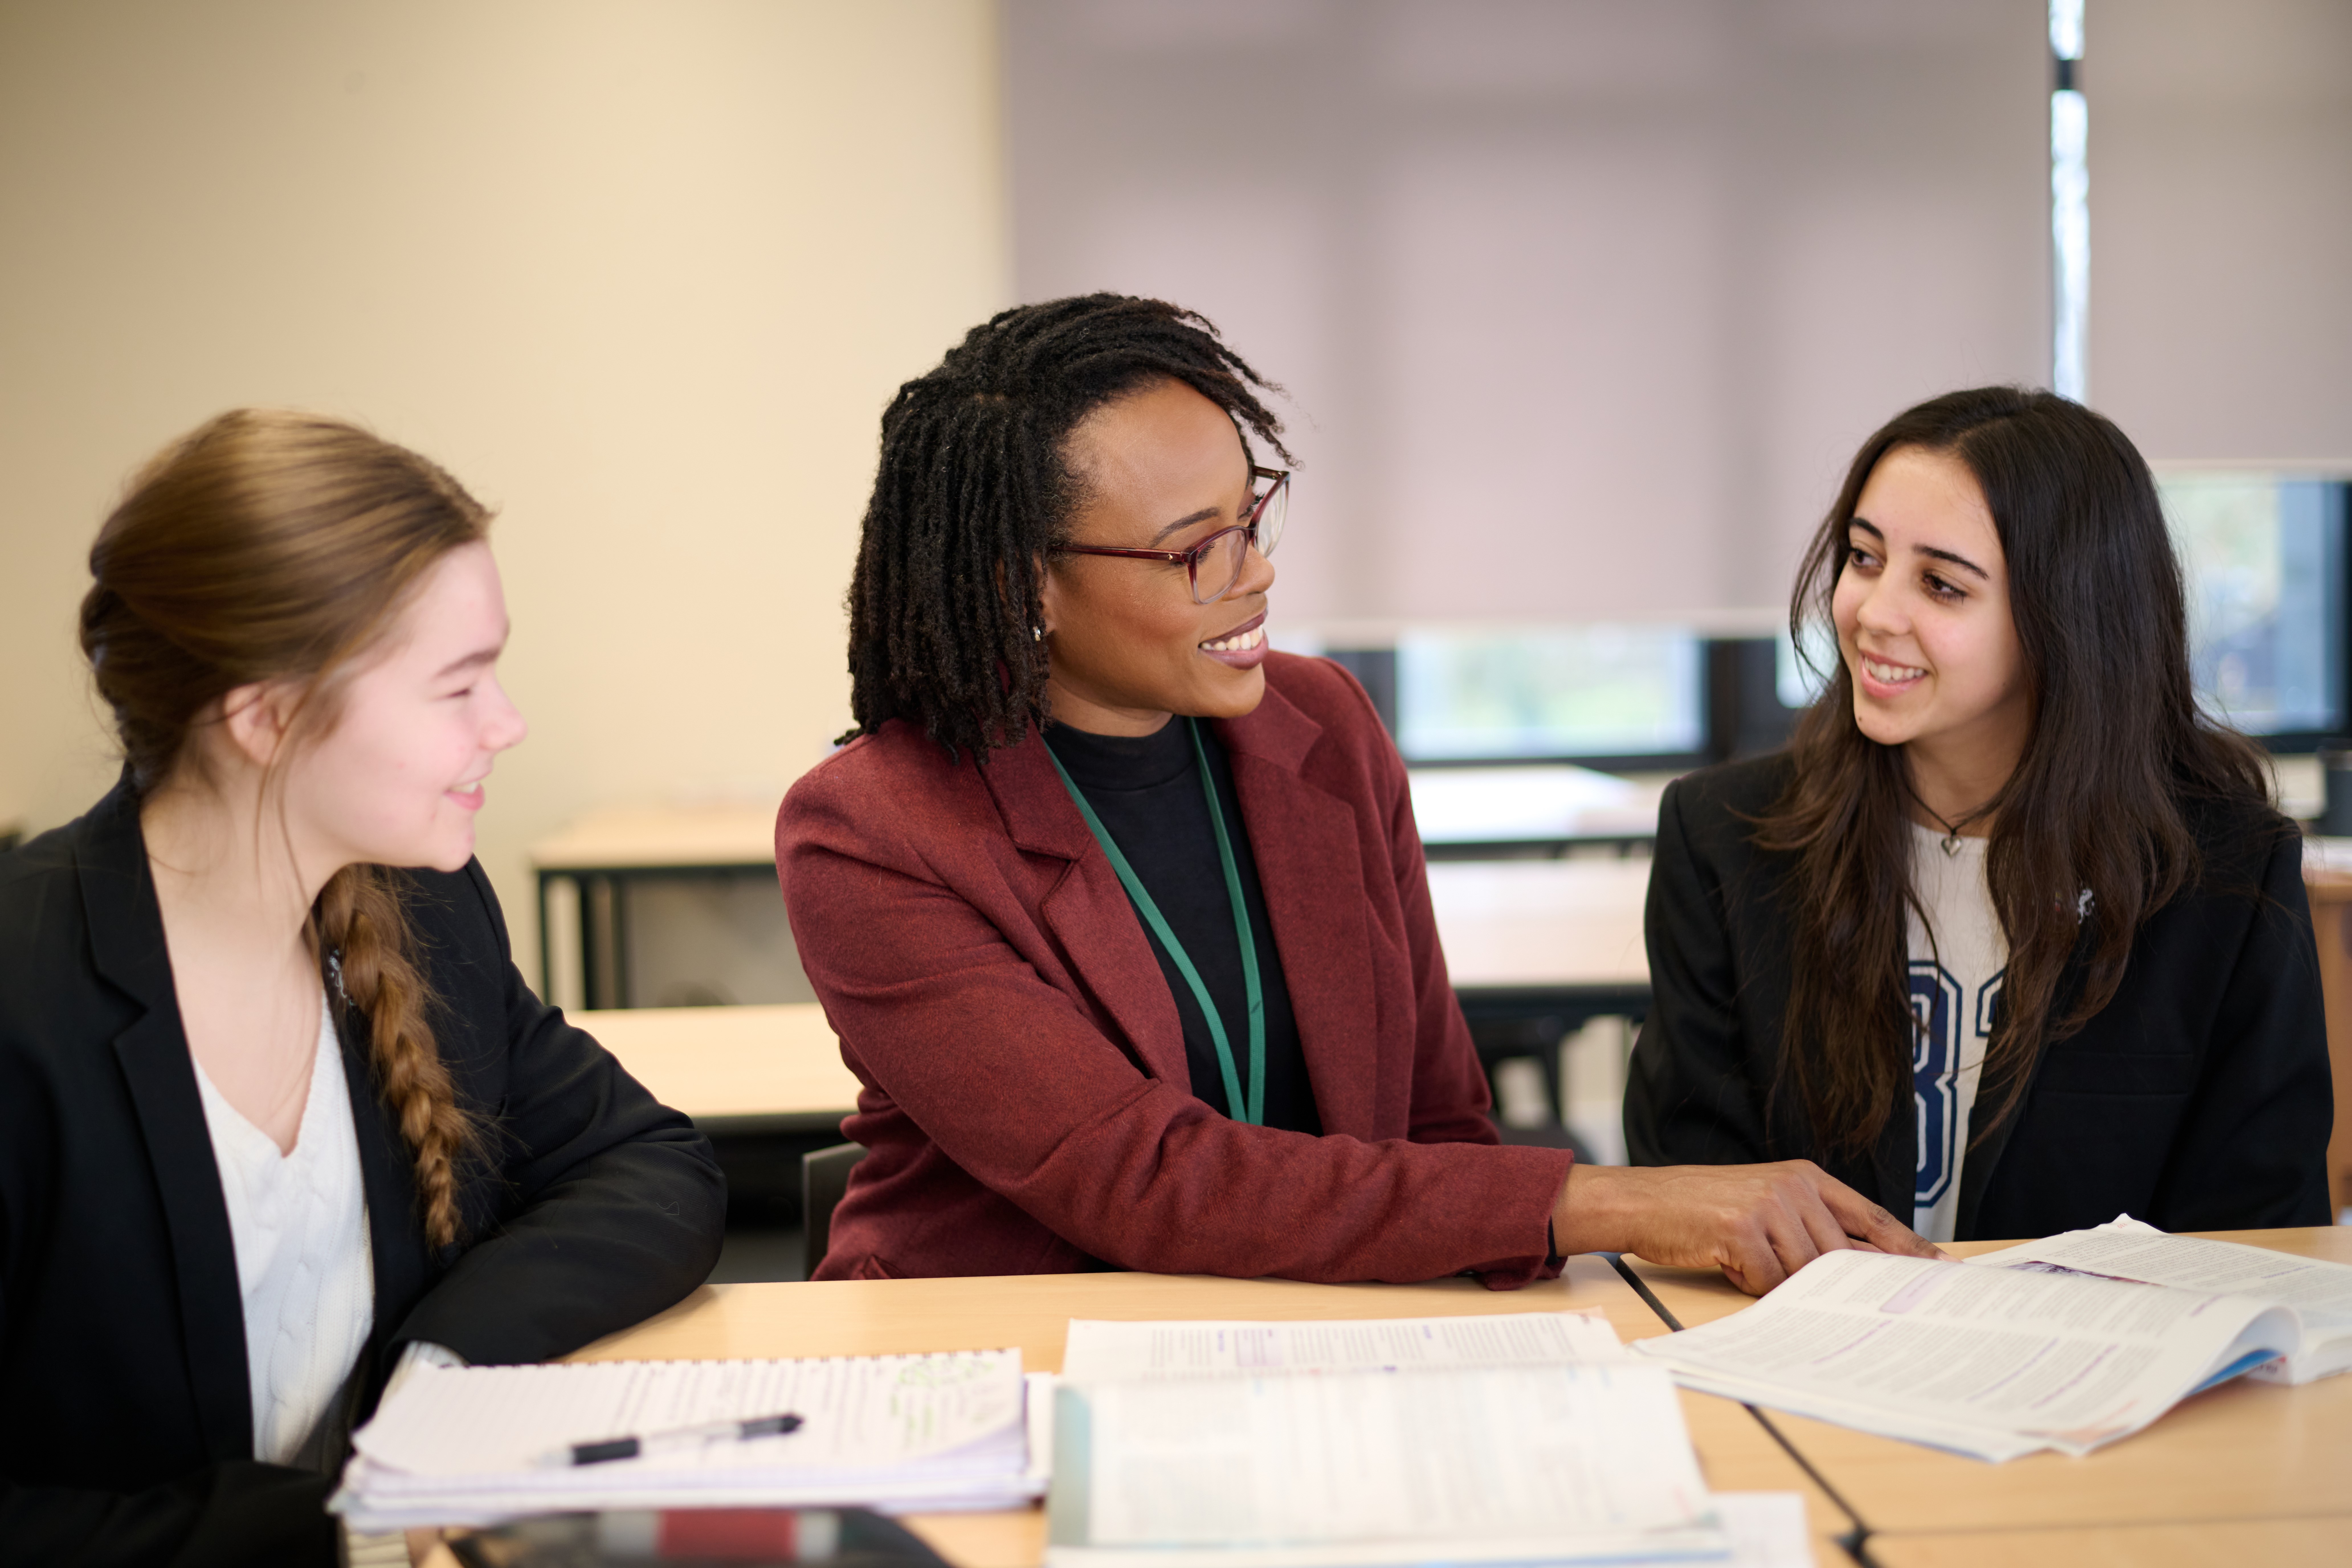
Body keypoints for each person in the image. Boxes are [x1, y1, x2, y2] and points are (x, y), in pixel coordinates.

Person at [778, 293, 1935, 1293]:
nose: (1259, 570)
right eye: (1197, 550)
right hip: (1006, 1348)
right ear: (1019, 583)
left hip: (1326, 1331)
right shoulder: (875, 830)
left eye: (1253, 513)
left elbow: (1439, 1114)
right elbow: (1143, 1179)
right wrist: (1612, 1201)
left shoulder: (1320, 724)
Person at [0, 411, 727, 1565]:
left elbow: (648, 1164)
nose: (508, 723)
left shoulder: (420, 908)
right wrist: (346, 1532)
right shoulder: (26, 996)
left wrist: (436, 1372)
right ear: (267, 715)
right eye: (458, 685)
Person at [1625, 386, 2334, 1240]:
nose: (1874, 613)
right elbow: (1685, 1194)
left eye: (1941, 585)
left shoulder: (2226, 875)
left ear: (2066, 617)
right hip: (1793, 1329)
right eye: (1865, 558)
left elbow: (2263, 1231)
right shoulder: (1724, 837)